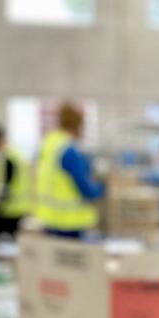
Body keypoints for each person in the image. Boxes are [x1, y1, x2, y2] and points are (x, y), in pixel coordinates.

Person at [34, 102, 104, 238]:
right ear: (77, 126)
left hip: (49, 218)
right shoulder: (68, 150)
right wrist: (102, 188)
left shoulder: (48, 144)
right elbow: (85, 188)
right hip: (69, 222)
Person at [0, 123, 32, 241]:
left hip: (9, 208)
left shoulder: (8, 157)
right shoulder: (15, 154)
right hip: (20, 206)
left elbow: (6, 185)